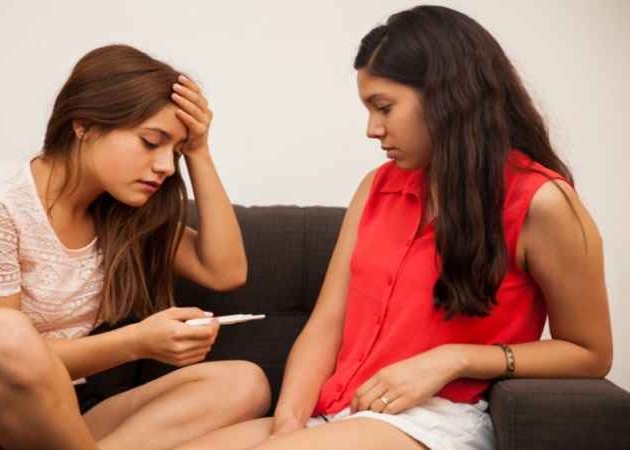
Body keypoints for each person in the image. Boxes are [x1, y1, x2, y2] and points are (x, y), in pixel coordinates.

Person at [173, 6, 613, 450]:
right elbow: (326, 326)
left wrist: (453, 359)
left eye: (384, 107)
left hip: (437, 419)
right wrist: (289, 421)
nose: (371, 129)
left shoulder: (542, 203)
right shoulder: (376, 188)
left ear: (449, 97)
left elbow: (590, 353)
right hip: (340, 409)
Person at [0, 44, 270, 450]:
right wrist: (137, 342)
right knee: (2, 333)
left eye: (175, 152)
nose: (166, 166)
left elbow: (224, 270)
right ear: (84, 126)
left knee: (243, 383)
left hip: (53, 413)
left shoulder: (121, 215)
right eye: (151, 142)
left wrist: (198, 151)